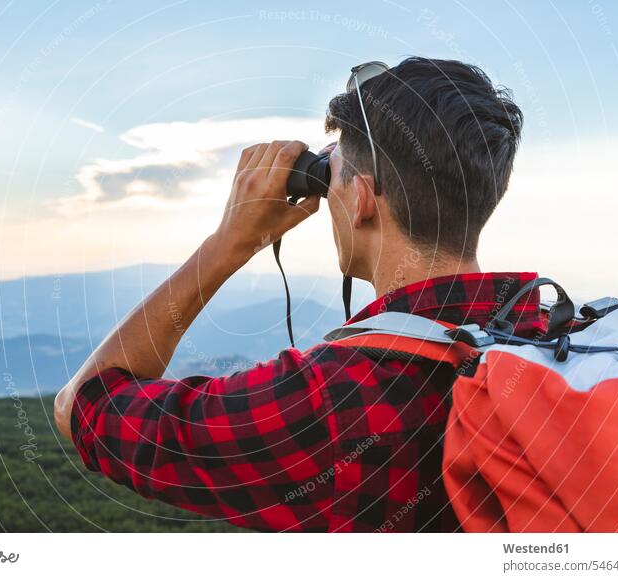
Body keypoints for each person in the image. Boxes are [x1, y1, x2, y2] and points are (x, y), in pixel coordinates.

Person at [54, 57, 541, 532]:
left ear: (362, 201)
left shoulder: (331, 399)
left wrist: (228, 242)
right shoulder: (557, 338)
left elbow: (84, 406)